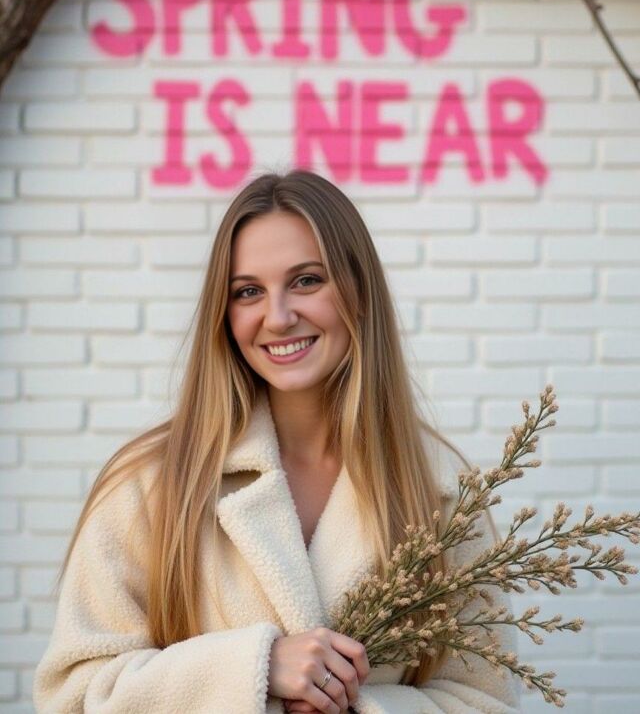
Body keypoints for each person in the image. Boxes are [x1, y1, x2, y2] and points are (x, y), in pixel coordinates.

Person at [33, 169, 522, 713]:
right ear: (224, 315)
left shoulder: (438, 490)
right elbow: (72, 696)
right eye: (248, 292)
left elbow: (487, 701)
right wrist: (256, 668)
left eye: (307, 281)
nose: (279, 317)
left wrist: (354, 705)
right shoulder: (148, 484)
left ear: (359, 290)